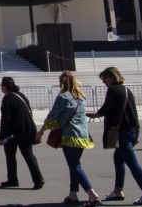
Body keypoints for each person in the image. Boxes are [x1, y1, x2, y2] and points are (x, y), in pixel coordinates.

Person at [88, 67, 142, 205]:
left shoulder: (113, 90)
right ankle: (118, 190)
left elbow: (106, 108)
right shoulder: (126, 90)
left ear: (112, 77)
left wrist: (95, 115)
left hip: (123, 131)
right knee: (118, 158)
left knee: (132, 163)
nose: (104, 82)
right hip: (133, 129)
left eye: (105, 79)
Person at [36, 71, 101, 207]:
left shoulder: (63, 97)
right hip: (83, 136)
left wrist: (41, 131)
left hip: (69, 135)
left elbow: (52, 116)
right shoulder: (81, 97)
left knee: (75, 166)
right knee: (74, 164)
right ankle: (73, 194)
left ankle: (91, 194)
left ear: (62, 83)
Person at [0, 76, 43, 189]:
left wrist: (2, 137)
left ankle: (13, 179)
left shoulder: (7, 98)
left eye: (2, 87)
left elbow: (5, 119)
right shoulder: (21, 96)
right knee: (28, 154)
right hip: (27, 129)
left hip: (13, 132)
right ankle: (38, 179)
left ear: (5, 87)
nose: (1, 89)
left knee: (10, 155)